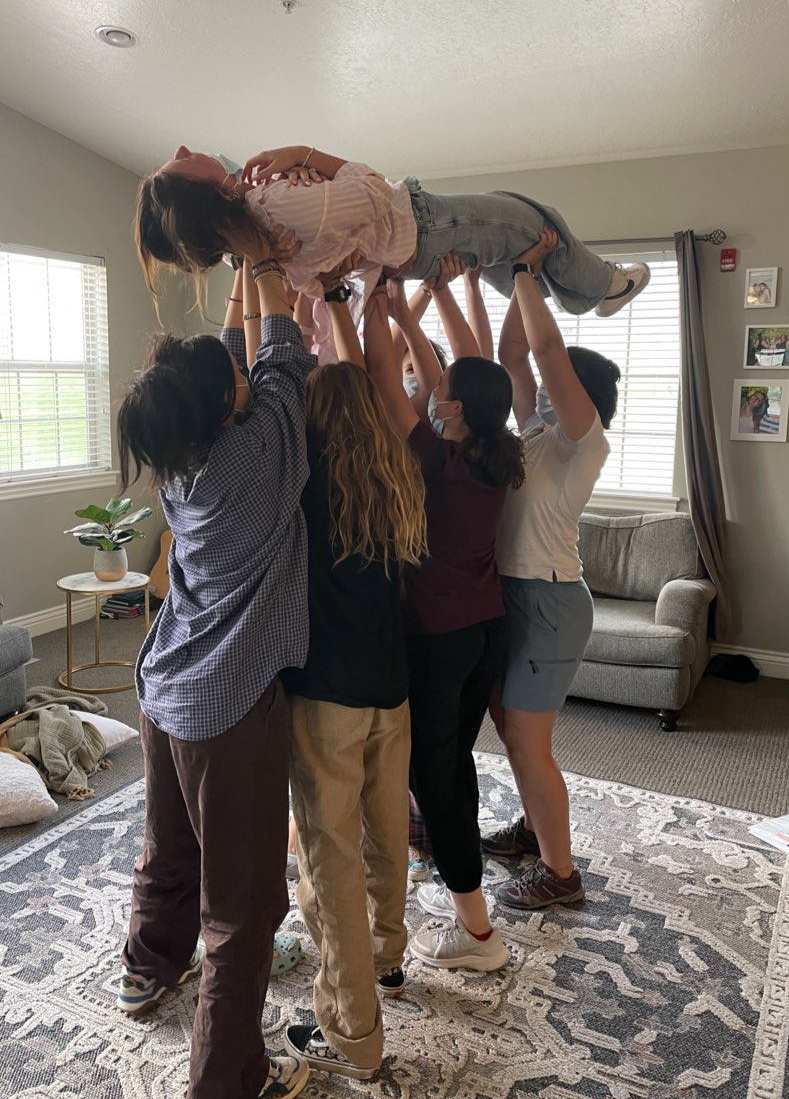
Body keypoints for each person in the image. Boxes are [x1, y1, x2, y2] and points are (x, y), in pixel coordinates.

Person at [114, 224, 315, 1099]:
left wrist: (241, 271)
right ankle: (227, 1083)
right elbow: (281, 357)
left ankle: (147, 967)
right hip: (230, 711)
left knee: (167, 848)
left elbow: (238, 366)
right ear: (227, 401)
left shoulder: (181, 457)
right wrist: (263, 260)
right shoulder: (258, 452)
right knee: (244, 913)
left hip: (164, 693)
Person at [266, 282, 427, 1080]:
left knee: (328, 857)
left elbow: (280, 393)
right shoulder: (397, 473)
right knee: (384, 829)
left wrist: (298, 319)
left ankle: (352, 1031)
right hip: (389, 690)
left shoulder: (304, 485)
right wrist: (329, 311)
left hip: (325, 695)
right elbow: (361, 378)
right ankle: (390, 955)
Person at [133, 145, 651, 362]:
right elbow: (376, 192)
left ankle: (586, 294)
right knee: (535, 217)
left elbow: (329, 265)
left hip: (417, 246)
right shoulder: (274, 204)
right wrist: (309, 156)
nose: (180, 150)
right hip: (426, 225)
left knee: (517, 253)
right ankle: (605, 286)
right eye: (175, 167)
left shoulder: (249, 251)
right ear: (202, 197)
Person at [364, 278, 524, 973]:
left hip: (440, 638)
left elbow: (381, 377)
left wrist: (366, 305)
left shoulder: (437, 459)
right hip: (487, 630)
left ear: (452, 406)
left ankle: (478, 933)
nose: (431, 389)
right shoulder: (493, 453)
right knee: (452, 765)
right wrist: (403, 308)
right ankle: (460, 886)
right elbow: (428, 383)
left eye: (441, 388)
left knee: (437, 779)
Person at [479, 230, 620, 912]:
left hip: (550, 601)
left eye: (554, 386)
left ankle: (560, 874)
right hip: (512, 593)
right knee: (511, 729)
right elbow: (513, 353)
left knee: (531, 745)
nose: (536, 388)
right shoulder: (534, 433)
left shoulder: (580, 443)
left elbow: (542, 349)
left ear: (579, 398)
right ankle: (534, 832)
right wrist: (512, 279)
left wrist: (532, 273)